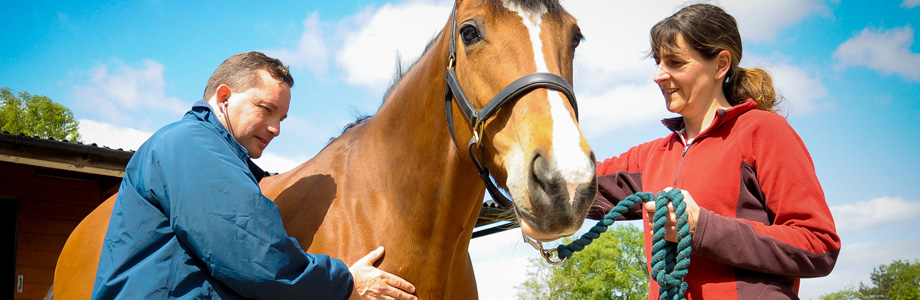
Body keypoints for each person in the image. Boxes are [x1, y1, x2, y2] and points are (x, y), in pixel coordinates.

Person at [92, 51, 417, 300]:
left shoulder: (204, 150)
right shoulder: (192, 145)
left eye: (282, 118)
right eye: (265, 108)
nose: (276, 128)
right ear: (223, 98)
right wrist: (347, 281)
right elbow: (257, 257)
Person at [588, 4, 840, 299]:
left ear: (721, 65)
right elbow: (570, 184)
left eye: (675, 62)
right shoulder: (651, 155)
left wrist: (703, 228)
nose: (659, 75)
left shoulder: (763, 131)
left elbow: (819, 246)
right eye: (658, 61)